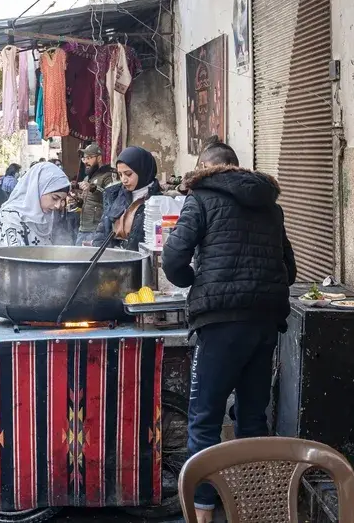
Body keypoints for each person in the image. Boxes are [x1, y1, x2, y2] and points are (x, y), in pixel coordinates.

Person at [161, 141, 296, 521]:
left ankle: (202, 512)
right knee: (252, 416)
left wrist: (195, 280)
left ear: (206, 168)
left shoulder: (201, 198)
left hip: (220, 321)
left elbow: (174, 258)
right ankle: (251, 507)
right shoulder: (270, 204)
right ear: (237, 168)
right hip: (266, 321)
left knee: (204, 417)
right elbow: (290, 269)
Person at [92, 146, 162, 251]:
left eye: (128, 174)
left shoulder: (158, 201)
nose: (124, 180)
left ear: (143, 170)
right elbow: (102, 232)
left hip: (140, 262)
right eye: (120, 174)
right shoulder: (114, 194)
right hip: (112, 261)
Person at [0, 162, 71, 247]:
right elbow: (14, 256)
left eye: (62, 200)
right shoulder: (11, 217)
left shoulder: (46, 215)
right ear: (38, 189)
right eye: (55, 198)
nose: (57, 205)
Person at [75, 143, 116, 245]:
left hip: (96, 230)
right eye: (85, 159)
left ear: (99, 158)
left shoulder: (107, 176)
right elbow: (89, 201)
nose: (86, 162)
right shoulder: (87, 178)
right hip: (83, 228)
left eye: (89, 158)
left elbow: (111, 198)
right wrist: (78, 201)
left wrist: (94, 188)